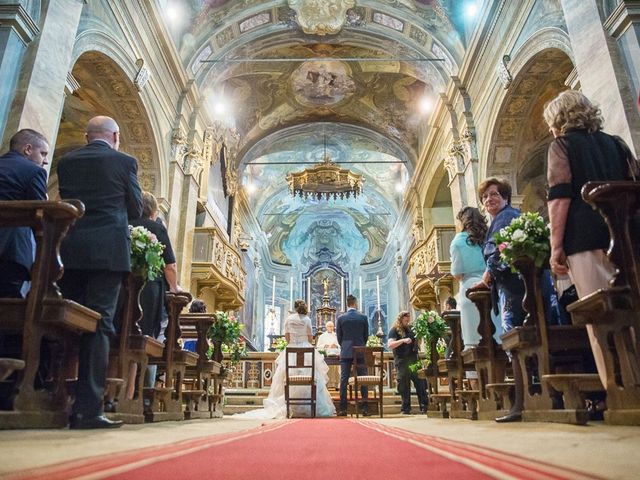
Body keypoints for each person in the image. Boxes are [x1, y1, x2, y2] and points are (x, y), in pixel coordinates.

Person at [544, 89, 637, 388]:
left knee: (599, 315)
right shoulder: (617, 143)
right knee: (632, 306)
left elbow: (560, 197)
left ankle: (618, 386)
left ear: (558, 119)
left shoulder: (561, 146)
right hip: (628, 234)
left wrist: (555, 246)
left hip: (584, 238)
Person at [57, 116, 143, 429]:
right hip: (108, 253)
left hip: (69, 250)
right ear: (115, 136)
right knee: (99, 324)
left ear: (87, 136)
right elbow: (135, 209)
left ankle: (54, 397)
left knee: (65, 321)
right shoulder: (124, 162)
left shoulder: (67, 162)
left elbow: (67, 201)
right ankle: (87, 409)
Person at [476, 178, 526, 423]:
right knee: (516, 336)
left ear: (505, 195)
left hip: (513, 286)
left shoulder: (505, 218)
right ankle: (526, 397)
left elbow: (500, 251)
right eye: (485, 197)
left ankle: (521, 403)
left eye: (494, 194)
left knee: (513, 337)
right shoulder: (504, 217)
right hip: (515, 284)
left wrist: (487, 275)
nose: (489, 199)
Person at [235, 299, 335, 418]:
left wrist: (293, 342)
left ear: (294, 307)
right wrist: (304, 342)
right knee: (312, 375)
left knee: (288, 375)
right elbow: (310, 338)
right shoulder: (307, 319)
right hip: (306, 351)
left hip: (291, 350)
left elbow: (287, 337)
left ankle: (290, 406)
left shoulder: (289, 319)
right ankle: (308, 405)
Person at [0, 129, 49, 298]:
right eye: (43, 154)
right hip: (9, 250)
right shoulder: (34, 172)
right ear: (28, 149)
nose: (46, 161)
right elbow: (41, 213)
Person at [130, 191, 182, 339]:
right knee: (146, 334)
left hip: (123, 286)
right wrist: (174, 287)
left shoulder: (126, 223)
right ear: (153, 211)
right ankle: (142, 361)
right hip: (149, 288)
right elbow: (169, 266)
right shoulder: (157, 228)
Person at [450, 207, 488, 348]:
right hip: (490, 285)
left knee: (474, 341)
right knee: (495, 336)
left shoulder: (458, 241)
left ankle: (477, 370)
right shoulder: (487, 235)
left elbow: (457, 273)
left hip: (469, 289)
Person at [388, 311, 428, 414]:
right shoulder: (394, 330)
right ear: (400, 320)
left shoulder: (411, 329)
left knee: (420, 383)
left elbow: (417, 341)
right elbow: (390, 344)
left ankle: (424, 406)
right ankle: (406, 408)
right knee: (404, 385)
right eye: (405, 320)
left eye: (408, 320)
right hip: (402, 361)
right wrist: (402, 341)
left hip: (413, 360)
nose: (407, 322)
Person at [336, 294, 369, 416]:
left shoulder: (341, 318)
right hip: (360, 350)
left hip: (346, 351)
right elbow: (366, 336)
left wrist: (345, 346)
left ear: (347, 304)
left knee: (344, 379)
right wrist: (360, 345)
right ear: (355, 303)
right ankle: (365, 408)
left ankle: (343, 409)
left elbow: (339, 337)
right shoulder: (363, 317)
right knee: (363, 378)